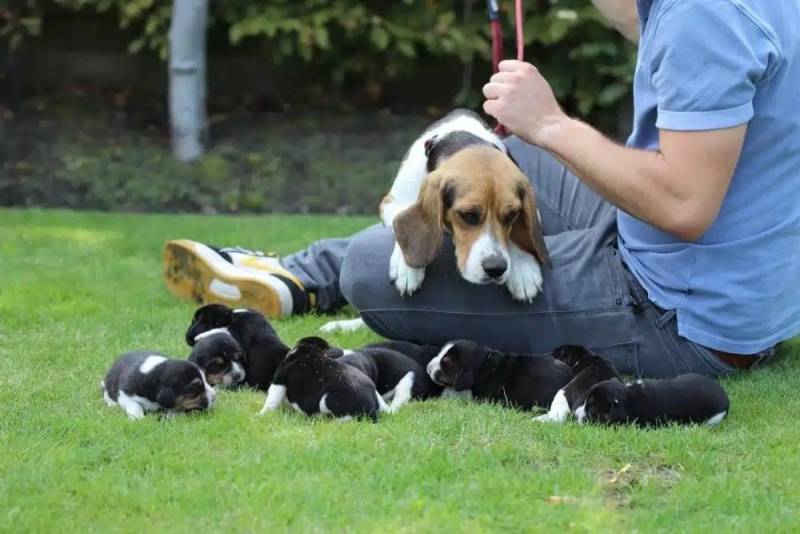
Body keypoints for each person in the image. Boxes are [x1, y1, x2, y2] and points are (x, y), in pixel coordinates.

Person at [163, 0, 800, 379]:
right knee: (500, 164)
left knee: (370, 269)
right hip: (727, 278)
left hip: (681, 314)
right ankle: (299, 273)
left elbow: (686, 206)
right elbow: (644, 24)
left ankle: (333, 270)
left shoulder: (705, 18)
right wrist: (539, 134)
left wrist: (552, 121)